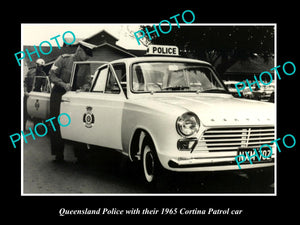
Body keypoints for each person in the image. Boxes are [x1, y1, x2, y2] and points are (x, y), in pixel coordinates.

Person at [49, 41, 93, 162]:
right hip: (59, 93)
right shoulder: (63, 59)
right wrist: (63, 84)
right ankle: (58, 154)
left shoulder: (86, 64)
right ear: (79, 50)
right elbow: (51, 75)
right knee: (57, 123)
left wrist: (83, 88)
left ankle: (80, 155)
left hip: (74, 95)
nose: (88, 57)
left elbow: (88, 81)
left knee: (78, 123)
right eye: (86, 54)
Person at [23, 59, 46, 130]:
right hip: (28, 93)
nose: (40, 68)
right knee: (25, 110)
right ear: (36, 65)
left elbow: (44, 85)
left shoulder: (43, 74)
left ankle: (36, 126)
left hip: (37, 93)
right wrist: (25, 91)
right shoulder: (30, 72)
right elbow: (25, 83)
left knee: (37, 109)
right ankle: (23, 126)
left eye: (42, 67)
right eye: (39, 66)